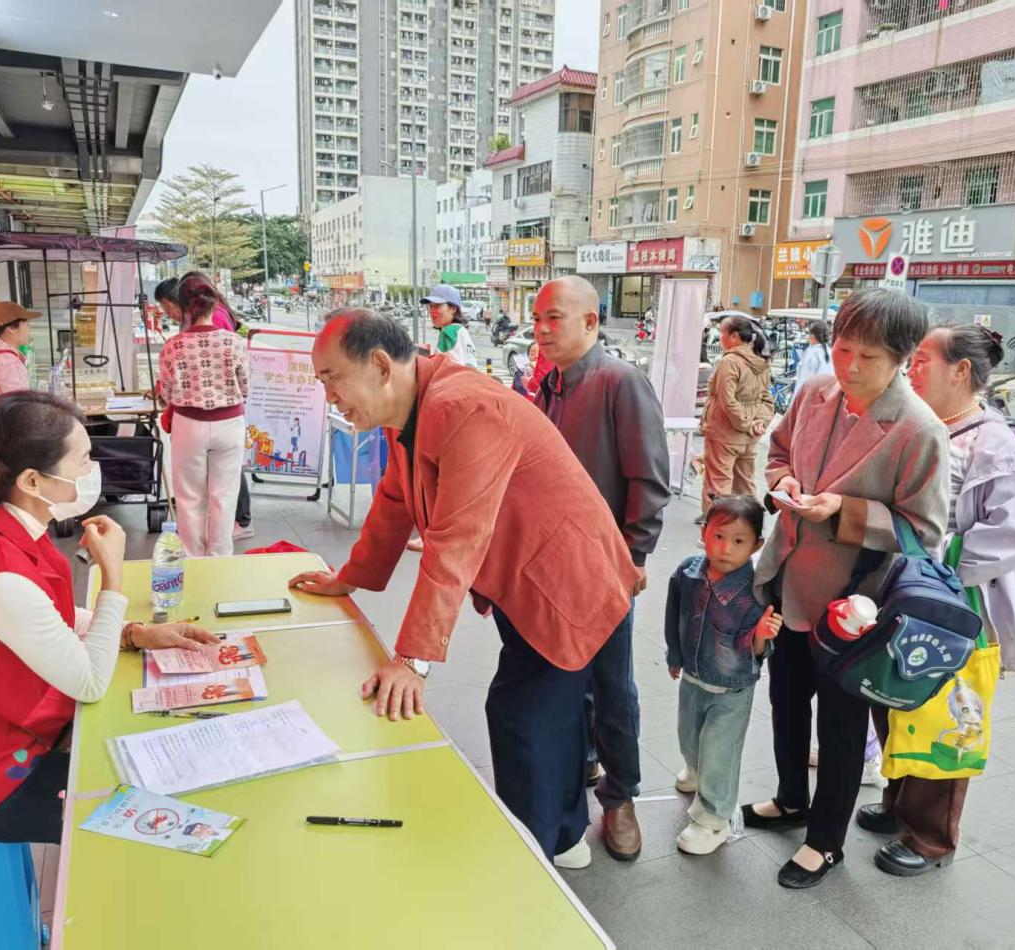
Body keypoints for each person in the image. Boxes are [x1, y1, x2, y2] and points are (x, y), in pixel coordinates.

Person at [286, 310, 640, 868]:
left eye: (331, 377)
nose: (326, 393)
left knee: (523, 714)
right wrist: (347, 578)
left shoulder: (460, 406)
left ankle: (533, 860)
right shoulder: (413, 410)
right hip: (529, 582)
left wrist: (413, 661)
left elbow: (455, 542)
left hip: (568, 582)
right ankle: (567, 835)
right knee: (554, 711)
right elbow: (396, 500)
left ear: (380, 365)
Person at [0, 391, 217, 842]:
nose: (91, 472)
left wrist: (135, 634)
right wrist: (113, 575)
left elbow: (48, 617)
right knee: (163, 811)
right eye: (82, 461)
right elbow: (87, 681)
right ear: (31, 480)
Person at [742, 288, 949, 889]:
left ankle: (825, 841)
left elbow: (924, 531)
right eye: (842, 348)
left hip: (855, 606)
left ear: (904, 360)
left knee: (840, 725)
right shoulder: (813, 393)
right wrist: (781, 481)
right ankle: (789, 797)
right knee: (784, 702)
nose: (849, 367)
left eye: (869, 357)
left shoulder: (918, 429)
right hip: (789, 580)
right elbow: (777, 451)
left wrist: (843, 509)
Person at [855, 323, 1015, 875]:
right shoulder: (925, 426)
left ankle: (931, 837)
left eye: (922, 362)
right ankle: (898, 806)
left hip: (954, 606)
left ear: (961, 372)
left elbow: (1013, 535)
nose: (910, 370)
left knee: (947, 719)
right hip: (904, 594)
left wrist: (938, 562)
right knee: (899, 699)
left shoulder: (995, 446)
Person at [533, 275, 671, 862]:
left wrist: (635, 554)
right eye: (538, 318)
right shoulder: (548, 384)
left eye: (554, 319)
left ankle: (621, 797)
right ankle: (583, 766)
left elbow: (650, 479)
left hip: (608, 565)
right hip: (552, 565)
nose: (541, 330)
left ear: (591, 322)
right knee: (569, 676)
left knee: (613, 683)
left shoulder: (621, 382)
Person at [665, 495, 781, 855]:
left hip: (731, 689)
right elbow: (675, 616)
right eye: (718, 536)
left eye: (738, 541)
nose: (725, 549)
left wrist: (762, 635)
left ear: (756, 545)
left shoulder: (755, 591)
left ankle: (714, 818)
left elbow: (756, 653)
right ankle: (696, 772)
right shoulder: (688, 573)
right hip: (694, 676)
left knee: (720, 750)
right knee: (689, 735)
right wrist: (674, 653)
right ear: (704, 532)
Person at [157, 272, 249, 557]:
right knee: (223, 496)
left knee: (189, 498)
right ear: (213, 303)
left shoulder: (173, 345)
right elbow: (244, 387)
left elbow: (167, 393)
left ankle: (192, 559)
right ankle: (220, 561)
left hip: (189, 425)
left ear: (183, 306)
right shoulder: (234, 342)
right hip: (230, 424)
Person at [700, 315, 775, 508]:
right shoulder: (761, 361)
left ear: (734, 336)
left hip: (725, 433)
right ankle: (750, 530)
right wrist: (759, 422)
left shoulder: (730, 362)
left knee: (718, 486)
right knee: (745, 485)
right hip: (749, 437)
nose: (720, 338)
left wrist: (745, 423)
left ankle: (716, 531)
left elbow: (727, 400)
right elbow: (767, 399)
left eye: (722, 333)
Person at [422, 284, 478, 368]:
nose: (432, 311)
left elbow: (440, 368)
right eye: (431, 306)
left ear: (453, 308)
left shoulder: (448, 332)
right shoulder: (460, 330)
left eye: (437, 306)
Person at [794, 320, 832, 392]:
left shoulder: (811, 354)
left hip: (810, 397)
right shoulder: (831, 353)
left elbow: (804, 382)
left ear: (812, 336)